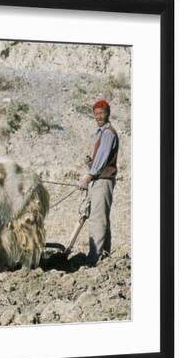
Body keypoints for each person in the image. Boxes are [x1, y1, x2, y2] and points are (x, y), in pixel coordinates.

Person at [78, 99, 119, 265]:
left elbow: (102, 160)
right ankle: (104, 256)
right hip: (102, 180)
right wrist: (91, 163)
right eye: (96, 114)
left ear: (107, 113)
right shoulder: (103, 133)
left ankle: (94, 259)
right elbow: (100, 159)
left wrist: (88, 176)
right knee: (102, 218)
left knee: (97, 219)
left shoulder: (108, 133)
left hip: (103, 180)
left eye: (101, 113)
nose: (99, 117)